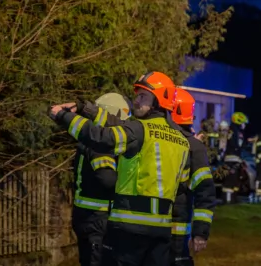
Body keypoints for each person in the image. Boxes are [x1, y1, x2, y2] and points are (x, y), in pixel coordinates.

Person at [49, 71, 190, 266]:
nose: (136, 101)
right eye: (136, 95)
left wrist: (63, 117)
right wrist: (84, 107)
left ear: (160, 100)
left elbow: (99, 137)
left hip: (129, 230)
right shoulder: (181, 141)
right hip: (161, 232)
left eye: (143, 96)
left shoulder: (140, 130)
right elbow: (182, 186)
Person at [53, 94, 130, 266]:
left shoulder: (89, 140)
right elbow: (107, 179)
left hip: (87, 218)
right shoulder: (99, 146)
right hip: (97, 220)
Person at [170, 88, 216, 266]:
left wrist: (200, 232)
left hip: (175, 232)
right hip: (157, 232)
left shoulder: (193, 147)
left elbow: (205, 191)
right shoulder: (191, 145)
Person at [221, 112, 249, 204]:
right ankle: (228, 200)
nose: (244, 125)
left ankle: (233, 198)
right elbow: (235, 145)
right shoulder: (234, 131)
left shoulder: (233, 130)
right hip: (232, 159)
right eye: (243, 123)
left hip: (234, 159)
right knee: (230, 181)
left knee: (235, 181)